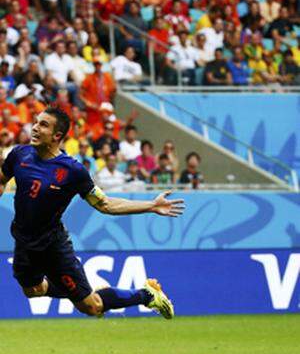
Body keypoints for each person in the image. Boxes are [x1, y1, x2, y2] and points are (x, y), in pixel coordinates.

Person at [0, 107, 184, 319]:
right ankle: (83, 287)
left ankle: (147, 295)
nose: (34, 127)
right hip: (23, 242)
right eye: (36, 122)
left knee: (92, 307)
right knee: (33, 290)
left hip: (52, 246)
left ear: (57, 136)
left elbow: (105, 204)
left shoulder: (72, 171)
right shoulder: (19, 154)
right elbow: (2, 181)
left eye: (43, 125)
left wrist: (150, 206)